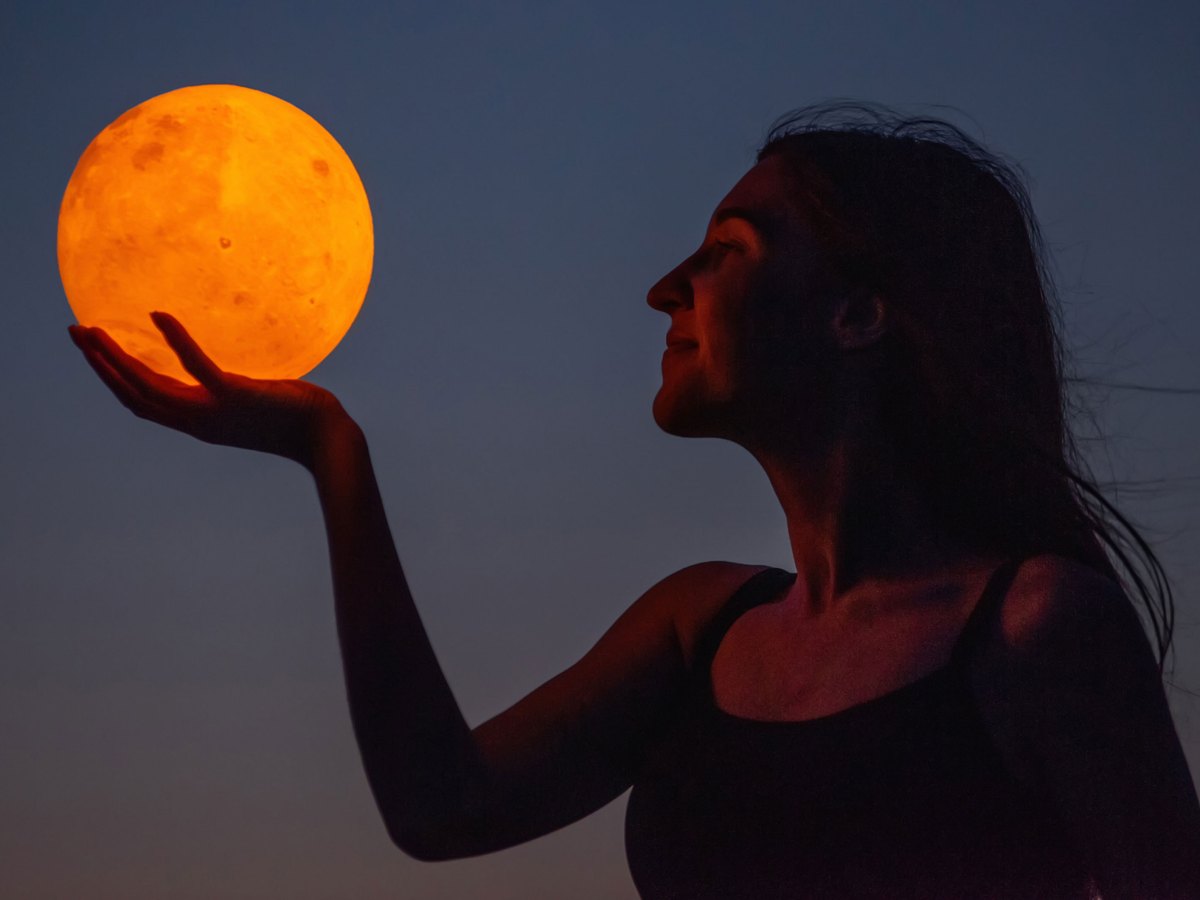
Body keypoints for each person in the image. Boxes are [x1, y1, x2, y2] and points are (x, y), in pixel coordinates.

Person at [69, 103, 1200, 898]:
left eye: (726, 251)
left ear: (857, 317)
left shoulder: (1037, 631)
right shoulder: (696, 628)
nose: (667, 286)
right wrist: (332, 455)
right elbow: (440, 807)